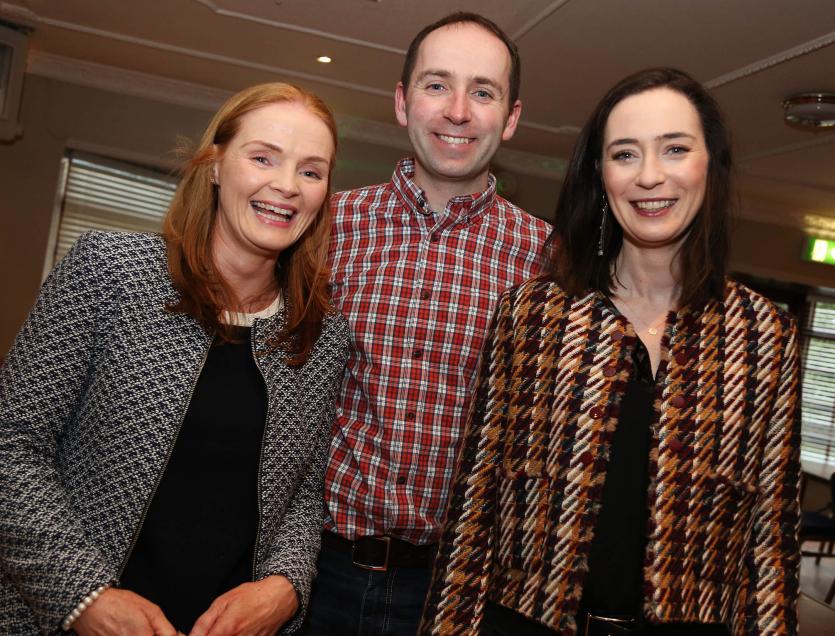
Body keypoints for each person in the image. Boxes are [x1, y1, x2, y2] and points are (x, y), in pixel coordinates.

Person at [421, 67, 800, 636]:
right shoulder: (532, 315)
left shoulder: (764, 332)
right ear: (600, 175)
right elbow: (475, 509)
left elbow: (771, 543)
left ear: (709, 166)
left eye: (674, 148)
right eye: (625, 154)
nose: (650, 176)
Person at [0, 82, 349, 635]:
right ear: (214, 165)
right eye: (263, 157)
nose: (286, 186)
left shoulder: (322, 333)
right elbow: (11, 447)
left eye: (311, 171)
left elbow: (302, 494)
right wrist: (85, 600)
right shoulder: (110, 272)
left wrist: (284, 587)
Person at [304, 11, 551, 635]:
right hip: (310, 572)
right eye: (437, 84)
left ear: (512, 118)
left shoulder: (549, 260)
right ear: (402, 101)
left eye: (483, 91)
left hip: (460, 590)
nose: (458, 111)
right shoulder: (322, 228)